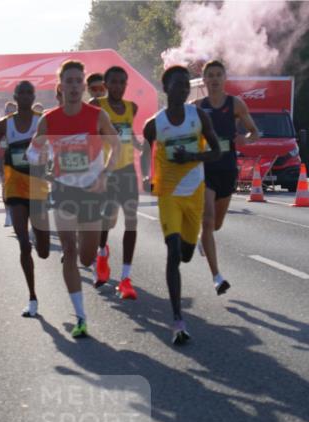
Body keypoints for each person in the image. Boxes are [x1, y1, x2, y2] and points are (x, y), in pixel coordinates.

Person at [28, 60, 120, 339]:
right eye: (68, 81)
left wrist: (105, 173)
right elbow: (33, 153)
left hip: (92, 191)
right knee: (69, 249)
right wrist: (41, 161)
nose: (73, 86)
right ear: (60, 86)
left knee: (85, 255)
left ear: (83, 85)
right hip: (64, 190)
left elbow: (115, 145)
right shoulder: (49, 119)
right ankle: (80, 316)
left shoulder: (96, 116)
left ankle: (99, 256)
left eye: (78, 81)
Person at [142, 66, 221, 345]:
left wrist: (192, 155)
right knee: (173, 252)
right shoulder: (154, 124)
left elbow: (217, 151)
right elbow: (146, 150)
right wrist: (146, 174)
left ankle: (194, 243)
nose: (184, 89)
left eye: (187, 85)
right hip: (168, 195)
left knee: (186, 254)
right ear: (166, 88)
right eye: (178, 85)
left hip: (194, 192)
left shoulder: (197, 116)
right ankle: (177, 320)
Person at [0, 81, 51, 317]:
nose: (24, 96)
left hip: (38, 186)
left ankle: (38, 243)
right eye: (20, 92)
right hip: (14, 187)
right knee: (24, 243)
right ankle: (32, 298)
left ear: (33, 96)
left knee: (43, 251)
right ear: (15, 96)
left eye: (28, 92)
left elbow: (55, 146)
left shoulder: (42, 121)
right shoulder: (5, 124)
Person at [194, 60, 258, 297]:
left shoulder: (235, 104)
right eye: (210, 75)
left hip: (228, 169)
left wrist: (245, 138)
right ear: (204, 80)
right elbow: (185, 132)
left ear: (224, 78)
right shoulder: (197, 106)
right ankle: (217, 277)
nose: (214, 79)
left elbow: (255, 131)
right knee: (208, 220)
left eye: (218, 75)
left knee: (216, 224)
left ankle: (205, 237)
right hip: (205, 169)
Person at [87, 65, 143, 299]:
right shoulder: (98, 106)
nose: (118, 86)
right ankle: (101, 255)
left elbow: (128, 133)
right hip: (106, 171)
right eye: (114, 82)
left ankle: (126, 277)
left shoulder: (132, 107)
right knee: (106, 220)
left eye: (122, 82)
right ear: (105, 85)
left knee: (131, 222)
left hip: (128, 170)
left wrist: (140, 147)